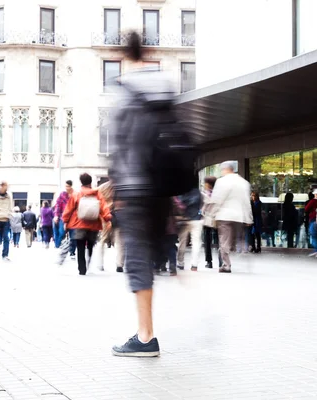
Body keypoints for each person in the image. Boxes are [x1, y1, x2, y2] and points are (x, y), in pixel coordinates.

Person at [110, 31, 183, 357]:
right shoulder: (165, 89)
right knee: (149, 256)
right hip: (161, 188)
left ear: (124, 55)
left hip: (135, 188)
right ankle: (147, 330)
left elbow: (122, 148)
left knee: (136, 258)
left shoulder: (126, 95)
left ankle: (145, 336)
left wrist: (118, 190)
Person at [62, 173, 111, 276]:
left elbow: (69, 209)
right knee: (90, 245)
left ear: (81, 182)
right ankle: (88, 259)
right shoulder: (97, 194)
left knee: (80, 246)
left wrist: (65, 221)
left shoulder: (76, 194)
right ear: (90, 182)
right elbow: (103, 207)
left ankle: (82, 268)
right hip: (93, 225)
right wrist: (107, 218)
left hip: (78, 224)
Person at [211, 161, 253, 273]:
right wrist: (249, 218)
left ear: (226, 169)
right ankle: (238, 250)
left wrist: (212, 214)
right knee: (234, 239)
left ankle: (226, 264)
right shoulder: (244, 183)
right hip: (238, 216)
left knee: (224, 240)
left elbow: (217, 199)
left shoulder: (221, 181)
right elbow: (246, 202)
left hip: (224, 216)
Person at [96, 180, 124, 272]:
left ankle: (100, 263)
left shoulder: (102, 187)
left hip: (105, 216)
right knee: (119, 241)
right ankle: (119, 264)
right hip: (118, 216)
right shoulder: (120, 187)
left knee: (103, 239)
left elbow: (96, 198)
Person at [177, 180, 203, 272]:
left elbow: (178, 204)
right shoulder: (198, 192)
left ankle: (180, 262)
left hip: (184, 219)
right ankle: (194, 264)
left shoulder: (181, 191)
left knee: (182, 242)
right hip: (197, 220)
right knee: (196, 243)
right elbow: (202, 204)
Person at [202, 176, 220, 269]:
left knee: (208, 240)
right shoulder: (219, 193)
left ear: (209, 184)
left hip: (210, 219)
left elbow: (202, 208)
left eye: (205, 183)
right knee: (219, 240)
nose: (204, 185)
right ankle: (218, 261)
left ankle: (209, 262)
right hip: (215, 218)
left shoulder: (206, 194)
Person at [305, 189, 317, 257]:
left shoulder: (313, 201)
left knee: (314, 237)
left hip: (313, 219)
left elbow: (306, 208)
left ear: (315, 194)